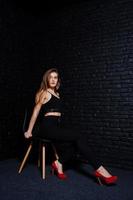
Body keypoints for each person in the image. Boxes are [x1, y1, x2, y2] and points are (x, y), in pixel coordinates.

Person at [24, 68, 118, 185]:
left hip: (55, 127)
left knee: (77, 143)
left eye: (55, 77)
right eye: (50, 77)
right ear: (46, 79)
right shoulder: (44, 93)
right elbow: (35, 112)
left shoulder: (57, 94)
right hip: (46, 128)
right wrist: (29, 130)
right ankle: (100, 169)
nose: (53, 80)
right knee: (78, 136)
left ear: (58, 80)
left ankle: (59, 163)